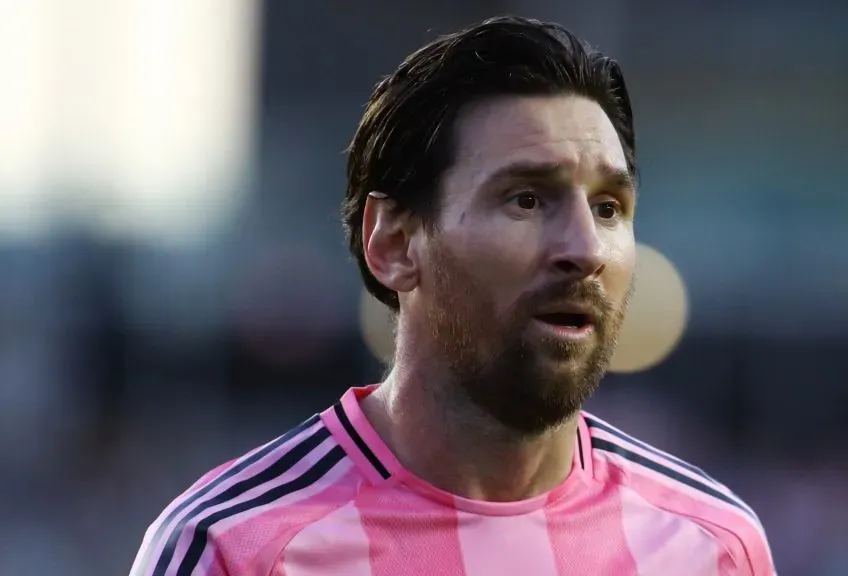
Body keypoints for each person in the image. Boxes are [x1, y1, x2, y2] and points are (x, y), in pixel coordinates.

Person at [130, 16, 775, 576]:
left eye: (608, 208)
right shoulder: (233, 548)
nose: (585, 248)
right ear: (394, 243)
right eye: (526, 199)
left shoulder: (712, 546)